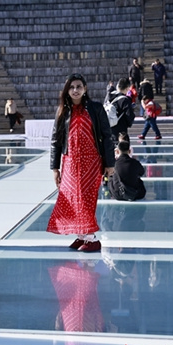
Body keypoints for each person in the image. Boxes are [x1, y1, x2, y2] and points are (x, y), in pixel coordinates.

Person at [48, 73, 115, 252]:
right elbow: (56, 141)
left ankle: (92, 239)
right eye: (72, 87)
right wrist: (55, 168)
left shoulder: (95, 108)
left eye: (78, 86)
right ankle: (81, 235)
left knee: (86, 199)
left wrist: (110, 163)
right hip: (70, 163)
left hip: (91, 162)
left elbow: (107, 136)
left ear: (85, 89)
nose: (75, 90)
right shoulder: (63, 111)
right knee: (71, 199)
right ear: (67, 90)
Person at [105, 78, 136, 144]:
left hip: (108, 129)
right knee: (121, 148)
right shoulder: (125, 100)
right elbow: (129, 116)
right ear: (127, 88)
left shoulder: (108, 97)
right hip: (121, 131)